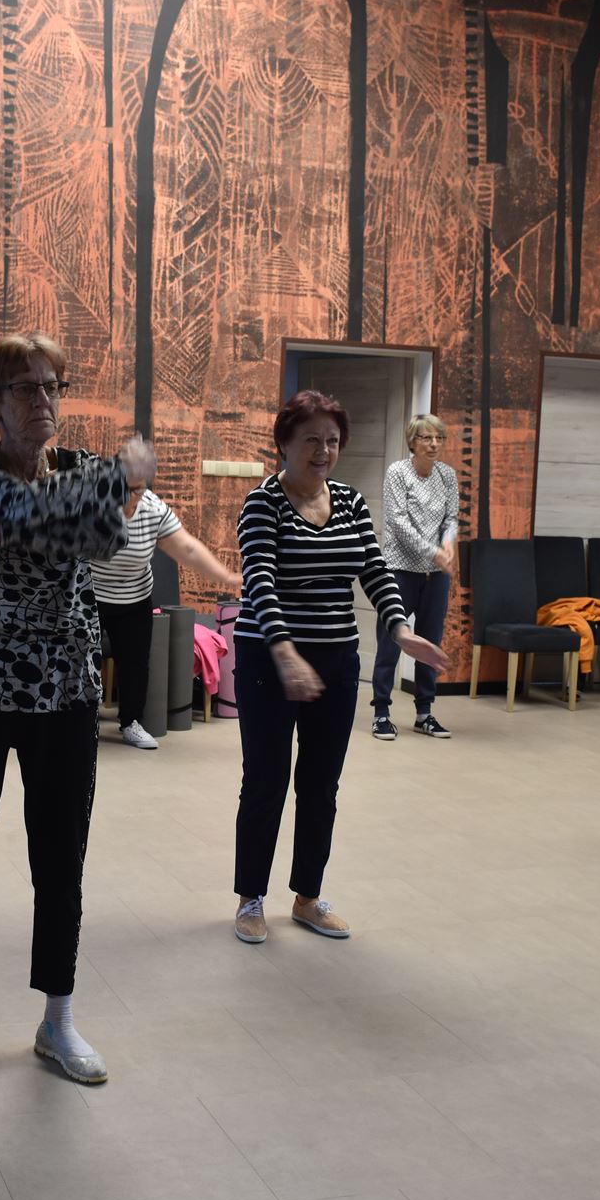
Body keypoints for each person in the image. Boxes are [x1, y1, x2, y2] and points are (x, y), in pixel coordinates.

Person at [0, 331, 157, 1100]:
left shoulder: (80, 469)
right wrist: (106, 485)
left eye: (53, 386)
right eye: (25, 388)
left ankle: (58, 1021)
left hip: (66, 686)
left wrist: (4, 528)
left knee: (61, 863)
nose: (44, 400)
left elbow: (104, 536)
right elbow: (20, 506)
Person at [231, 390, 448, 942]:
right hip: (268, 660)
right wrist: (285, 653)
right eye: (311, 439)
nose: (323, 450)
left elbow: (374, 569)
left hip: (336, 659)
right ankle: (251, 898)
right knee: (266, 781)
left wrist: (400, 628)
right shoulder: (262, 504)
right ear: (284, 443)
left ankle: (307, 896)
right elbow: (260, 582)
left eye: (332, 440)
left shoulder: (350, 501)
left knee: (321, 784)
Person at [90, 483, 242, 749]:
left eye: (136, 490)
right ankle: (82, 723)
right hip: (91, 596)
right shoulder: (90, 503)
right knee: (82, 661)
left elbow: (188, 548)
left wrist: (227, 577)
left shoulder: (154, 508)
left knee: (136, 663)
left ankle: (131, 722)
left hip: (135, 598)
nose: (129, 497)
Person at [370, 414, 458, 741]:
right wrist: (433, 552)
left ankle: (424, 713)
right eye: (426, 438)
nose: (433, 444)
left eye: (438, 438)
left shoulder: (447, 475)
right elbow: (398, 522)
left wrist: (448, 544)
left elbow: (451, 518)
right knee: (391, 640)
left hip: (435, 576)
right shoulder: (398, 472)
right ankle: (381, 712)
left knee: (430, 642)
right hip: (399, 570)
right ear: (413, 441)